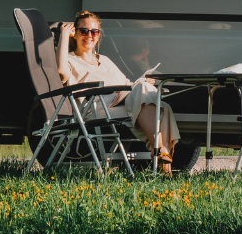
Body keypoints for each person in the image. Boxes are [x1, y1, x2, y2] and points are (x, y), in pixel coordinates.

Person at [57, 10, 180, 172]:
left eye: (94, 31)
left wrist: (143, 81)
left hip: (120, 103)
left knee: (155, 99)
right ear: (75, 33)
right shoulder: (70, 59)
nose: (89, 35)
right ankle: (160, 155)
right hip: (94, 108)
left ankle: (160, 153)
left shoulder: (105, 60)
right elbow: (61, 72)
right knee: (155, 104)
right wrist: (64, 35)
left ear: (99, 35)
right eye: (83, 31)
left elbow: (127, 84)